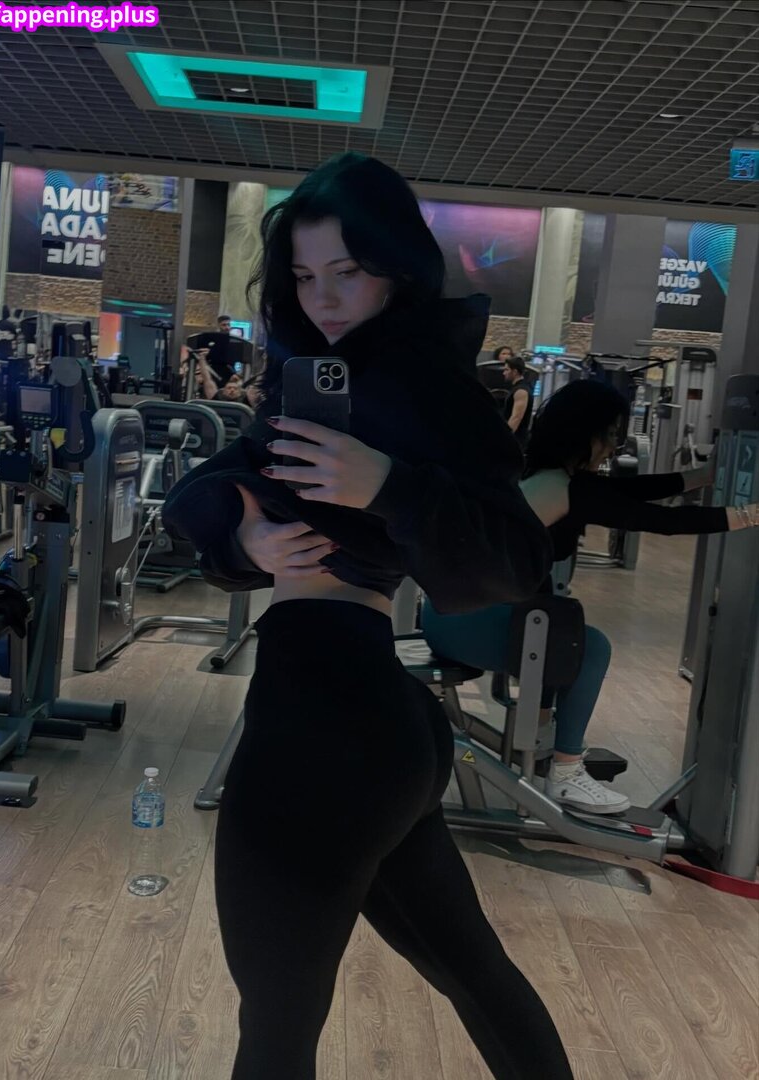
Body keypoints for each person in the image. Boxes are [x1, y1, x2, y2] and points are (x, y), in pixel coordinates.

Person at [163, 152, 574, 1080]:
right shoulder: (320, 376)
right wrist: (250, 541)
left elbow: (517, 558)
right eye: (305, 275)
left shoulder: (430, 389)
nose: (324, 298)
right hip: (372, 724)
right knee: (474, 978)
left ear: (395, 266)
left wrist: (388, 485)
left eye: (347, 271)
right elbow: (219, 491)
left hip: (325, 727)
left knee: (276, 1035)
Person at [423, 378, 758, 814]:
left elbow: (627, 492)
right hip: (468, 622)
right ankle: (566, 773)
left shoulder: (541, 473)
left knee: (551, 621)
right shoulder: (570, 488)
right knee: (588, 647)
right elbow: (659, 521)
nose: (614, 447)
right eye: (610, 435)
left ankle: (542, 737)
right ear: (585, 433)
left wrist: (700, 476)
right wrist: (748, 514)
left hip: (447, 614)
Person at [503, 354, 534, 447]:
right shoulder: (516, 388)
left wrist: (504, 439)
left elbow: (516, 418)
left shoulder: (521, 391)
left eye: (506, 370)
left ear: (515, 372)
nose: (504, 373)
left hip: (517, 441)